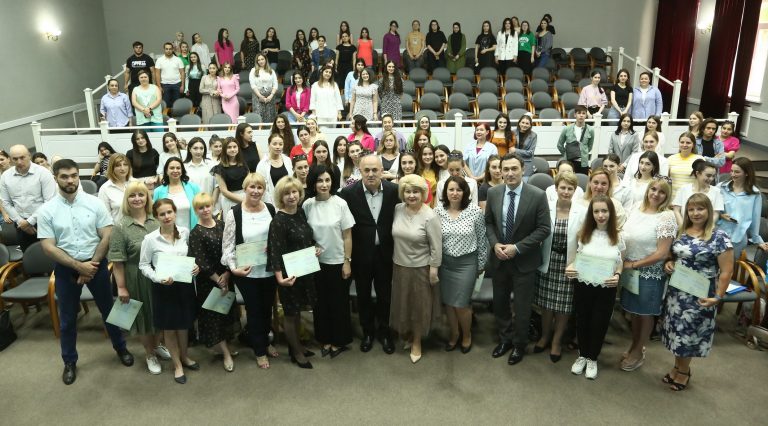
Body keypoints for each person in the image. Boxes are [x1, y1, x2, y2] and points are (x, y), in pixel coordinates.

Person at [37, 159, 133, 385]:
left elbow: (107, 235)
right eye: (64, 176)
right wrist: (78, 266)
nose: (70, 180)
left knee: (109, 311)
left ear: (78, 176)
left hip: (96, 265)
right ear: (55, 178)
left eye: (74, 175)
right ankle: (69, 361)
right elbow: (48, 246)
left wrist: (92, 265)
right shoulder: (47, 210)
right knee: (68, 319)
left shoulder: (94, 203)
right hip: (66, 269)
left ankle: (121, 348)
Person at [661, 194, 733, 391]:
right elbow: (673, 255)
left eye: (700, 209)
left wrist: (718, 296)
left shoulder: (719, 237)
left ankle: (684, 372)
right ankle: (677, 367)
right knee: (676, 332)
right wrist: (669, 263)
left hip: (700, 293)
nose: (695, 213)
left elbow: (727, 271)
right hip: (677, 292)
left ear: (709, 210)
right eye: (691, 209)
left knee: (689, 333)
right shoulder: (682, 231)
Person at [485, 152, 551, 365]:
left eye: (514, 168)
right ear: (500, 171)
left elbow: (544, 229)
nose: (510, 173)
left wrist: (518, 248)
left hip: (524, 261)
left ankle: (519, 345)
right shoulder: (494, 193)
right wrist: (495, 244)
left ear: (523, 170)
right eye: (505, 169)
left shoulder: (537, 195)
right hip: (499, 259)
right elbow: (489, 223)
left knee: (522, 308)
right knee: (500, 304)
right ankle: (505, 339)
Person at [338, 154, 398, 354]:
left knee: (385, 295)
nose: (371, 174)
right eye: (367, 170)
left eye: (375, 170)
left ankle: (385, 332)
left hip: (386, 253)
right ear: (360, 171)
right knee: (363, 295)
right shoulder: (348, 194)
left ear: (382, 170)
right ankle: (368, 332)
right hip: (360, 255)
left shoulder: (394, 191)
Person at [109, 181, 170, 375]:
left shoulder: (156, 220)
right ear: (126, 200)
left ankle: (157, 345)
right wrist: (121, 287)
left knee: (160, 313)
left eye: (141, 195)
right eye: (132, 195)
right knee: (142, 317)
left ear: (147, 197)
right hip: (135, 277)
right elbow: (117, 262)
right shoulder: (120, 226)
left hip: (159, 275)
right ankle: (149, 354)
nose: (137, 199)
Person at [222, 172, 279, 369]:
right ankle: (260, 350)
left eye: (260, 187)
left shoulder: (270, 209)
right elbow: (227, 246)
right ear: (245, 189)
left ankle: (266, 341)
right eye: (252, 187)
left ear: (264, 190)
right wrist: (234, 269)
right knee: (254, 311)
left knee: (267, 308)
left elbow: (276, 237)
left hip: (269, 270)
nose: (256, 191)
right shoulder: (235, 213)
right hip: (246, 273)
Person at [139, 198, 200, 384]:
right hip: (163, 288)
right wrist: (157, 277)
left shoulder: (185, 232)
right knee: (170, 327)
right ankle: (177, 365)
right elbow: (143, 265)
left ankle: (184, 356)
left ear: (175, 212)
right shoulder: (150, 239)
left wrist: (195, 267)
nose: (166, 216)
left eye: (169, 212)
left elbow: (190, 257)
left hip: (184, 286)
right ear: (156, 217)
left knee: (184, 325)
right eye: (162, 214)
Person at [620, 177, 677, 371]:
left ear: (667, 196)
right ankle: (635, 346)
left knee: (644, 314)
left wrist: (634, 264)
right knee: (634, 312)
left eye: (662, 192)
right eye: (653, 189)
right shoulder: (636, 207)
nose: (656, 194)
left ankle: (638, 351)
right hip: (630, 271)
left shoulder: (666, 217)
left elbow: (662, 253)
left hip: (648, 272)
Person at [565, 195, 625, 380]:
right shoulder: (583, 234)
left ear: (611, 213)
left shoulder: (618, 236)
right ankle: (582, 355)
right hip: (583, 284)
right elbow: (577, 258)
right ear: (591, 214)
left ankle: (592, 358)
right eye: (596, 211)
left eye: (604, 211)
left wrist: (617, 275)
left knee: (599, 322)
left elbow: (620, 263)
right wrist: (570, 267)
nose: (600, 215)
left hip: (606, 287)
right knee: (582, 320)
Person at [534, 171, 586, 363]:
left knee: (563, 307)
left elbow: (584, 241)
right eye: (562, 187)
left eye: (570, 188)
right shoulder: (545, 207)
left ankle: (556, 341)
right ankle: (545, 336)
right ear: (556, 189)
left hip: (569, 263)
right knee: (546, 305)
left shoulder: (582, 211)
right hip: (548, 261)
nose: (565, 191)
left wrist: (577, 262)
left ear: (575, 190)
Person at [303, 166, 355, 357]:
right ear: (313, 183)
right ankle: (324, 339)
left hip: (338, 262)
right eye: (319, 180)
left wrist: (347, 261)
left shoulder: (340, 203)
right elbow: (304, 234)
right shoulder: (307, 205)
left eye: (327, 180)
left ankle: (339, 341)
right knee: (320, 304)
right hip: (315, 262)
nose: (324, 184)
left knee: (338, 303)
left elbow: (347, 236)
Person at [266, 176, 318, 368]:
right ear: (280, 197)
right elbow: (275, 251)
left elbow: (305, 238)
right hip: (289, 274)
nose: (291, 196)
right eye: (286, 193)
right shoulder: (278, 220)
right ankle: (296, 352)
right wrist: (280, 278)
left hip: (304, 270)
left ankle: (297, 346)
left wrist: (314, 248)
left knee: (297, 312)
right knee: (290, 313)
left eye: (294, 192)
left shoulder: (301, 212)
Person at [390, 174, 442, 363]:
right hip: (399, 266)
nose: (411, 195)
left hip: (421, 268)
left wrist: (434, 269)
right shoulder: (398, 209)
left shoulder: (430, 216)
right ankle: (408, 334)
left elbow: (436, 246)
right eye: (408, 191)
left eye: (416, 192)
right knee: (404, 304)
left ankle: (417, 341)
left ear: (423, 193)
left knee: (419, 307)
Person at [187, 193, 238, 372]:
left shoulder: (222, 225)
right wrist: (219, 280)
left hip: (226, 275)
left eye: (207, 206)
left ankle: (224, 346)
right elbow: (201, 261)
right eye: (201, 207)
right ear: (196, 211)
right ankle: (225, 353)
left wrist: (227, 274)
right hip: (208, 282)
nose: (205, 210)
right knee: (214, 318)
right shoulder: (195, 233)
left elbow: (231, 249)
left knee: (226, 314)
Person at [436, 176, 487, 353]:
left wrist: (481, 264)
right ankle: (454, 334)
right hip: (445, 264)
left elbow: (482, 240)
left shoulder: (475, 212)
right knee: (449, 303)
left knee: (461, 304)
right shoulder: (437, 211)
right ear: (445, 192)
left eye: (459, 190)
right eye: (451, 189)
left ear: (465, 192)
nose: (455, 193)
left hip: (467, 264)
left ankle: (466, 335)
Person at [0, 144, 57, 251]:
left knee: (50, 255)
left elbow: (49, 201)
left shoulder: (43, 173)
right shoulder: (6, 176)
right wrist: (21, 222)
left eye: (22, 157)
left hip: (44, 222)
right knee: (28, 255)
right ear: (10, 159)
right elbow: (6, 202)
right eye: (15, 159)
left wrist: (29, 222)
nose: (19, 162)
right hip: (20, 224)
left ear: (29, 156)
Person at [718, 157, 768, 259]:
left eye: (737, 172)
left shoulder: (755, 194)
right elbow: (711, 209)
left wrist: (758, 240)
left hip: (738, 239)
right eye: (731, 171)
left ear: (746, 173)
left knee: (731, 267)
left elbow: (755, 219)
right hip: (718, 234)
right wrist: (720, 215)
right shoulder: (720, 187)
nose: (732, 174)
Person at [153, 158, 201, 229]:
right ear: (166, 171)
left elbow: (201, 209)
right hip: (168, 232)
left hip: (193, 231)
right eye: (172, 168)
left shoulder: (194, 188)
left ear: (182, 171)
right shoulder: (158, 191)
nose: (175, 170)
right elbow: (155, 215)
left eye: (178, 168)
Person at [672, 159, 723, 227]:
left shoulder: (716, 191)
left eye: (713, 176)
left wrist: (707, 228)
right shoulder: (684, 189)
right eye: (708, 175)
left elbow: (716, 213)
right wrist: (683, 227)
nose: (711, 179)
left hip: (706, 229)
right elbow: (676, 210)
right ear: (698, 173)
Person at [213, 138, 249, 214]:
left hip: (245, 197)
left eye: (235, 147)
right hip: (230, 200)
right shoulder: (219, 168)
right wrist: (243, 200)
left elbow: (249, 182)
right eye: (229, 147)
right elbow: (224, 191)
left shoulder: (243, 164)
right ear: (224, 150)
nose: (232, 149)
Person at [256, 133, 293, 204]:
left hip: (288, 199)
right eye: (274, 144)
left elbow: (291, 180)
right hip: (271, 201)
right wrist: (271, 204)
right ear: (269, 145)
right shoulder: (262, 164)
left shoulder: (287, 160)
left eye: (280, 144)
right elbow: (262, 187)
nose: (278, 147)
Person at [556, 106, 593, 175]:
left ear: (586, 115)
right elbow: (559, 145)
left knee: (582, 180)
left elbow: (590, 146)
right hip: (569, 161)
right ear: (575, 115)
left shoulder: (590, 130)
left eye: (583, 113)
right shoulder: (567, 129)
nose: (581, 115)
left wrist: (584, 152)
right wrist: (566, 154)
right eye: (579, 113)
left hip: (583, 162)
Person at [668, 132, 704, 198]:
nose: (684, 145)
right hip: (673, 197)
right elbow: (666, 180)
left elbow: (702, 181)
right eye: (682, 142)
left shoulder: (699, 159)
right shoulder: (671, 159)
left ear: (693, 145)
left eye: (688, 143)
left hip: (692, 198)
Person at [98, 154, 132, 222]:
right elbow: (105, 217)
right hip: (117, 227)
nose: (122, 168)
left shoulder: (136, 183)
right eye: (118, 165)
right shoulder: (105, 188)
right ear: (112, 168)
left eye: (125, 164)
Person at [249, 53, 279, 124]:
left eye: (262, 59)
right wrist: (260, 96)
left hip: (270, 97)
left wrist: (271, 96)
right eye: (258, 60)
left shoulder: (271, 71)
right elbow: (253, 85)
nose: (260, 61)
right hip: (258, 96)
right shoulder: (253, 70)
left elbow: (275, 84)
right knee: (259, 116)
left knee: (270, 116)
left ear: (265, 60)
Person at [183, 137, 216, 202]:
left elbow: (217, 186)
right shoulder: (184, 166)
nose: (199, 151)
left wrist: (212, 203)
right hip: (190, 203)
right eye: (195, 148)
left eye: (201, 148)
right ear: (189, 149)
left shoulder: (211, 164)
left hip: (208, 204)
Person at [154, 42, 185, 108]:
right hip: (165, 85)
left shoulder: (178, 59)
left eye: (170, 49)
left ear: (173, 49)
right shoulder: (159, 60)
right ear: (164, 49)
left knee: (177, 104)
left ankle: (176, 115)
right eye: (166, 49)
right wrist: (159, 86)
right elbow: (157, 74)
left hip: (177, 84)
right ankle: (167, 115)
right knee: (166, 104)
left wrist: (182, 85)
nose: (168, 50)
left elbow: (182, 73)